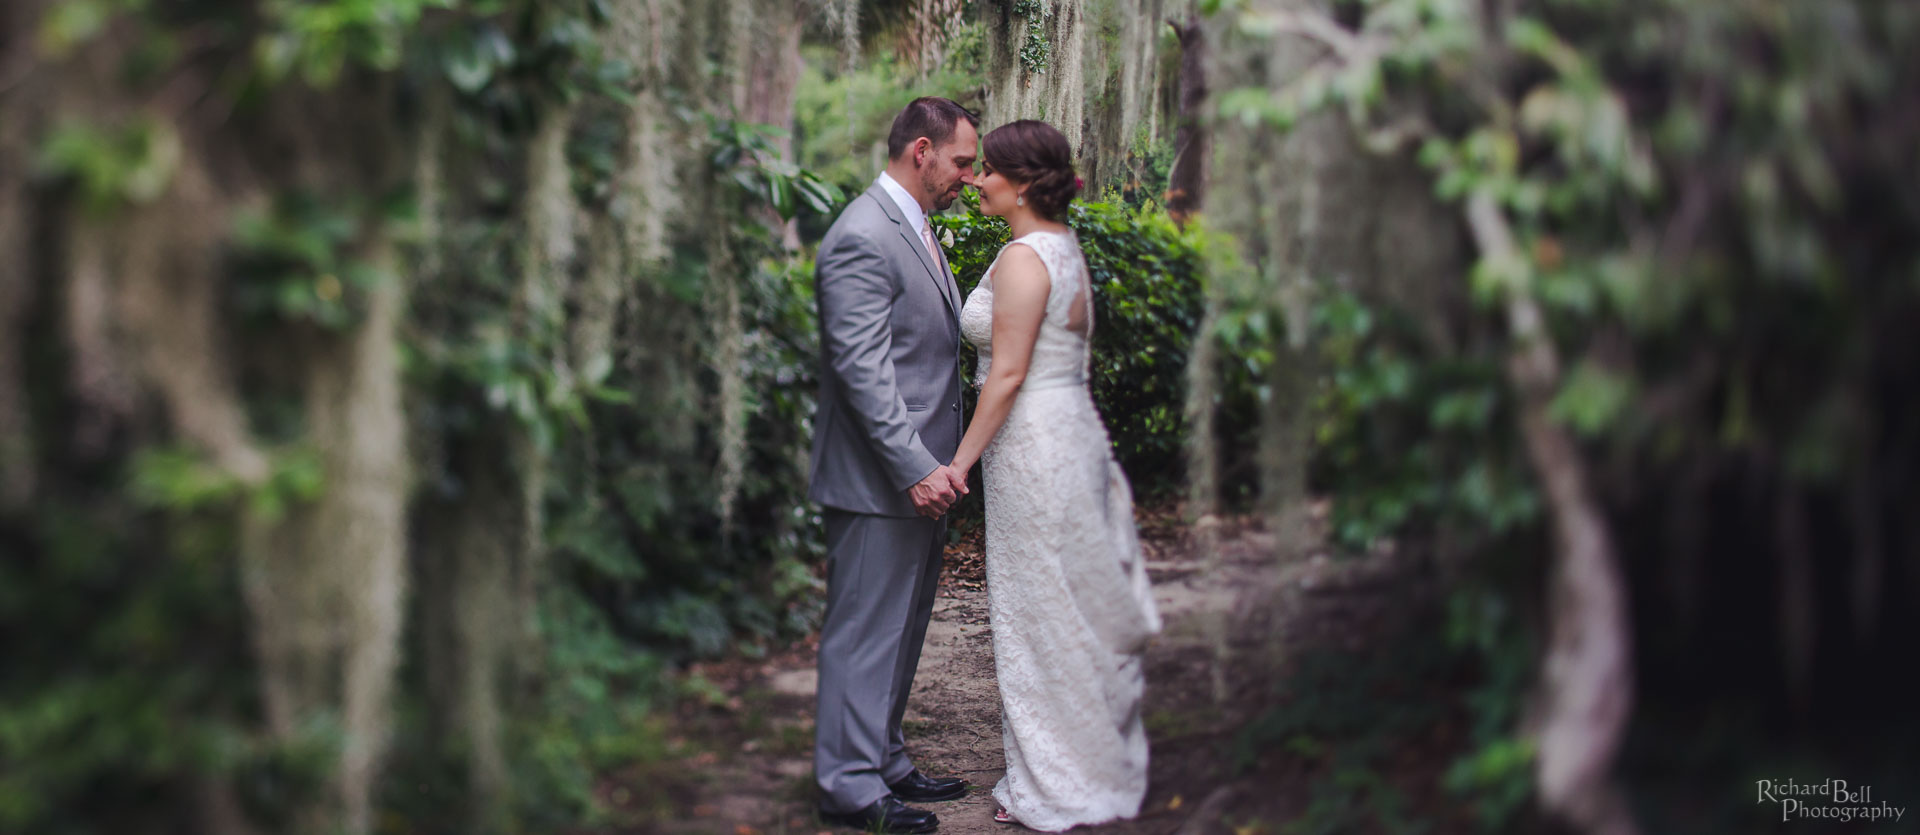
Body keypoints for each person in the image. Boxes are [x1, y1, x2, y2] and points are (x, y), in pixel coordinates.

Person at [950, 119, 1162, 831]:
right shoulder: (1064, 249)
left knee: (1038, 606)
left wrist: (959, 463)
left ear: (1019, 184)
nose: (977, 180)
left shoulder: (1020, 260)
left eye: (988, 171)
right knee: (1063, 603)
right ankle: (1075, 757)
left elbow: (1006, 375)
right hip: (1071, 434)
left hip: (1032, 445)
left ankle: (1057, 776)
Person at [807, 96, 981, 834]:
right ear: (921, 150)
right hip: (881, 478)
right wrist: (916, 465)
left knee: (902, 631)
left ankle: (882, 755)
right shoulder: (861, 235)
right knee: (863, 632)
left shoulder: (914, 229)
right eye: (962, 162)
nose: (970, 178)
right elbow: (863, 373)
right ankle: (847, 784)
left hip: (921, 478)